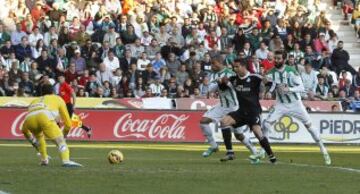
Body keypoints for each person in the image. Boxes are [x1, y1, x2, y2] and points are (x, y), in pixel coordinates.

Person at [263, 50, 331, 165]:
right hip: (281, 104)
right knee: (266, 123)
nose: (277, 60)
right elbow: (272, 83)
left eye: (279, 58)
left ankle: (323, 150)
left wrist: (289, 89)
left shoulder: (291, 71)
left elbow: (301, 87)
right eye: (276, 58)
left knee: (309, 126)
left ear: (284, 60)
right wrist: (269, 91)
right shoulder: (271, 72)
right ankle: (262, 151)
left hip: (296, 104)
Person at [217, 59, 276, 164]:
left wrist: (268, 91)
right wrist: (221, 82)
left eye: (237, 67)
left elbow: (271, 83)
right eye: (234, 67)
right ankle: (230, 152)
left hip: (254, 112)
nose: (235, 69)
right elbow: (223, 88)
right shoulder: (233, 79)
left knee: (258, 133)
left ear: (244, 66)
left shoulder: (254, 77)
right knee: (224, 122)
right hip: (241, 112)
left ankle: (271, 156)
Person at [199, 57, 258, 161]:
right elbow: (210, 89)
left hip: (234, 107)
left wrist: (225, 83)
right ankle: (214, 146)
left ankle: (255, 152)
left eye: (214, 63)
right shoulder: (213, 74)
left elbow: (235, 87)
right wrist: (218, 83)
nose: (212, 66)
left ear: (221, 63)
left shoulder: (231, 73)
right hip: (221, 105)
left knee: (239, 135)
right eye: (211, 64)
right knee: (203, 121)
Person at [21, 84, 82, 167]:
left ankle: (44, 160)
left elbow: (24, 129)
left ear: (42, 92)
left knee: (39, 137)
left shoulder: (34, 100)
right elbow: (67, 122)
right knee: (60, 141)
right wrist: (64, 135)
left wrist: (31, 139)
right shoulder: (58, 98)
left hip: (29, 119)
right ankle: (66, 161)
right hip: (44, 116)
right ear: (53, 92)